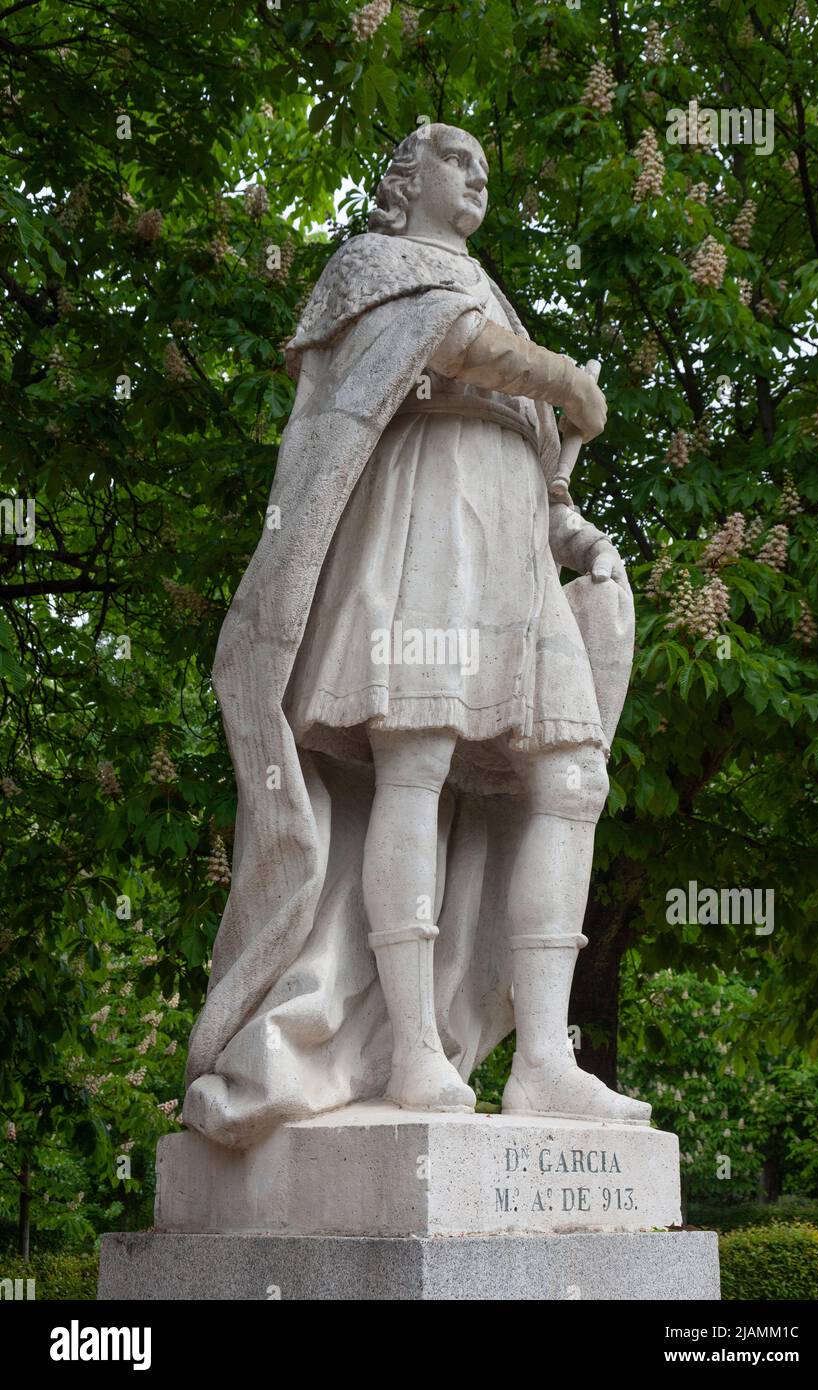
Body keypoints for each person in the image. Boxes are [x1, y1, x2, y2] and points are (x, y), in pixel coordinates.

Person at [183, 124, 649, 1147]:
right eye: (457, 159)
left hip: (512, 550)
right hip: (422, 521)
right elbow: (454, 350)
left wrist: (575, 531)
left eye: (489, 162)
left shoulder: (491, 286)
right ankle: (411, 1042)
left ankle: (543, 1058)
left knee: (571, 776)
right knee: (418, 759)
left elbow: (540, 458)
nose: (480, 172)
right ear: (403, 180)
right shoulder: (374, 265)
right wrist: (565, 375)